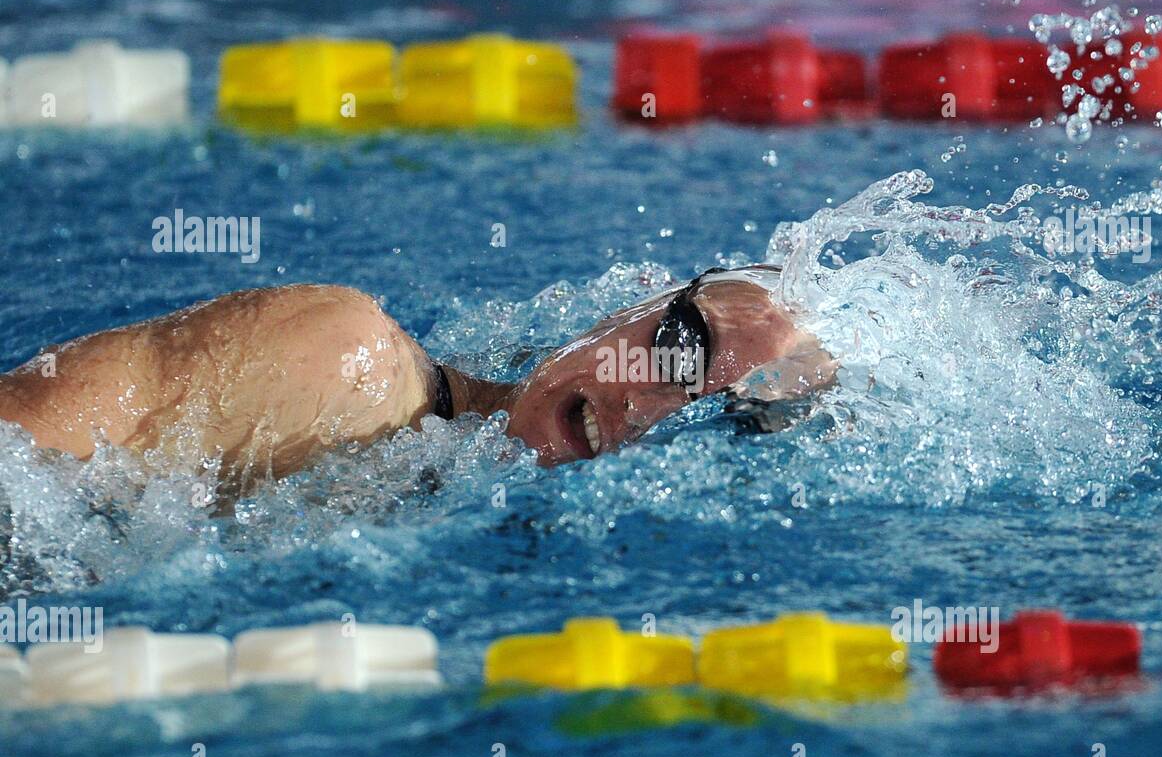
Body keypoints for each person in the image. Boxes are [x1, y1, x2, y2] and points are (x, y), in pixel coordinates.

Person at [0, 266, 836, 494]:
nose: (645, 406)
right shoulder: (338, 361)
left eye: (713, 413)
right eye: (681, 348)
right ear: (637, 304)